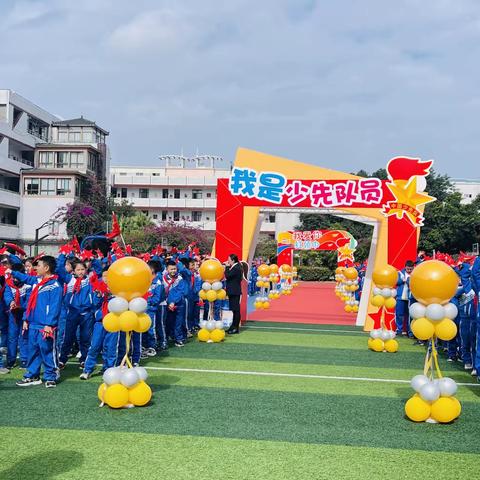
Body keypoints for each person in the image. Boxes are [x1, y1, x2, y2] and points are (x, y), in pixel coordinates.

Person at [12, 255, 63, 388]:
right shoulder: (36, 282)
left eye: (38, 265)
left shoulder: (54, 285)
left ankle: (51, 376)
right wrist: (26, 319)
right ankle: (32, 375)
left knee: (47, 350)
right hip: (33, 323)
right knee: (33, 351)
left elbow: (54, 306)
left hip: (45, 326)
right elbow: (29, 300)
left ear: (46, 268)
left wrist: (49, 324)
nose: (35, 268)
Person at [57, 258, 94, 369]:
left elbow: (98, 270)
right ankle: (62, 359)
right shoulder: (69, 279)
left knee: (85, 338)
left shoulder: (90, 280)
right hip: (72, 313)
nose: (81, 272)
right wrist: (63, 256)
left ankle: (84, 359)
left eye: (83, 269)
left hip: (86, 314)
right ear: (73, 271)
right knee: (68, 337)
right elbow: (59, 269)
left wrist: (93, 258)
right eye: (78, 270)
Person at [225, 254, 243, 334]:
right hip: (233, 291)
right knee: (234, 310)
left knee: (236, 310)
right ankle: (233, 326)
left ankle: (235, 328)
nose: (227, 261)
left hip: (234, 291)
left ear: (233, 260)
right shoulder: (236, 267)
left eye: (228, 259)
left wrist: (227, 267)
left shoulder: (236, 268)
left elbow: (228, 275)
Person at [395, 260, 414, 337]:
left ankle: (410, 332)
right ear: (405, 267)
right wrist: (402, 280)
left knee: (410, 316)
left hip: (410, 297)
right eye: (408, 269)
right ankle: (399, 330)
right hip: (400, 297)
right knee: (399, 314)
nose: (409, 270)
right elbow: (396, 282)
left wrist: (409, 281)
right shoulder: (400, 273)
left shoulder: (415, 274)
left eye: (410, 269)